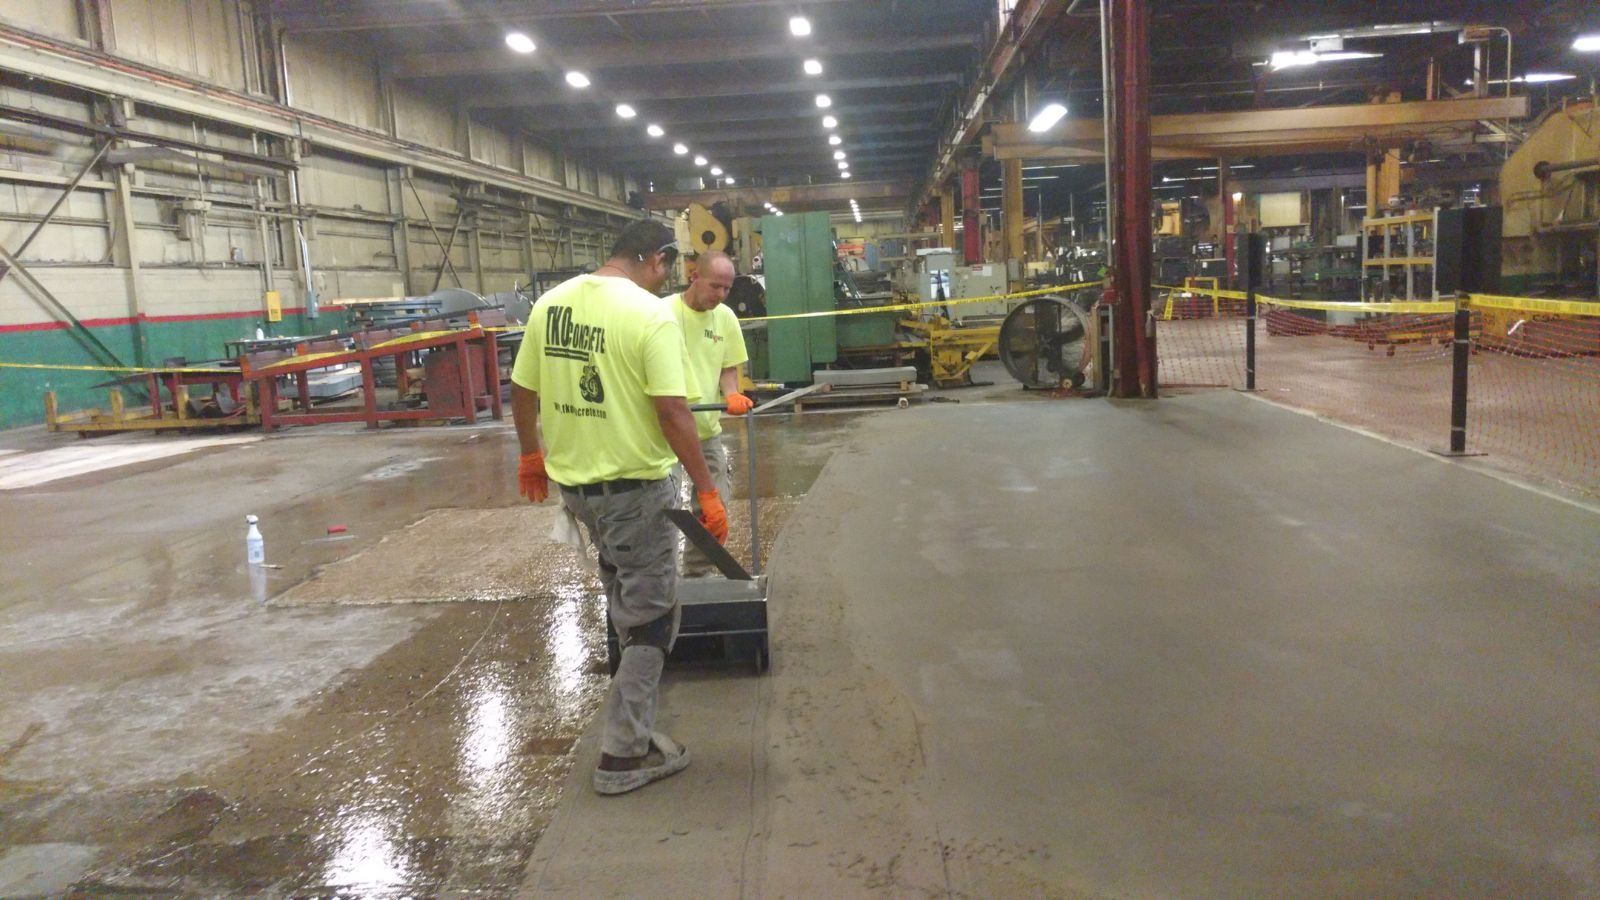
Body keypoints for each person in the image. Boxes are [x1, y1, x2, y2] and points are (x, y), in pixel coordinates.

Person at [509, 218, 729, 796]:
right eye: (668, 266)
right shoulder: (648, 313)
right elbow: (672, 412)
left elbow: (522, 390)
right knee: (655, 618)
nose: (667, 279)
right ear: (653, 259)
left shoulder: (549, 305)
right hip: (636, 493)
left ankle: (634, 725)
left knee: (624, 599)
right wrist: (706, 488)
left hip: (579, 494)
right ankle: (622, 754)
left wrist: (531, 455)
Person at [667, 251, 752, 550]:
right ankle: (664, 581)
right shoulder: (662, 312)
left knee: (714, 510)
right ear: (694, 276)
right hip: (663, 432)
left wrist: (731, 393)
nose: (721, 295)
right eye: (715, 286)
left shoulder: (726, 318)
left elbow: (727, 367)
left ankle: (698, 574)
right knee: (664, 507)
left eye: (727, 289)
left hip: (705, 430)